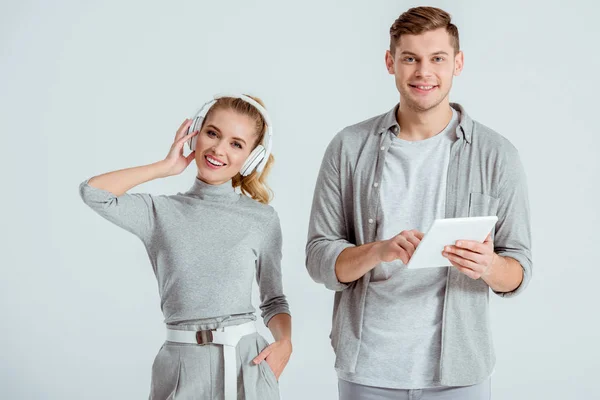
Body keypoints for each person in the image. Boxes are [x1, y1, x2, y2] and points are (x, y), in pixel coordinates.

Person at [306, 7, 531, 400]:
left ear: (457, 63)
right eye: (410, 58)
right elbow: (318, 259)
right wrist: (378, 251)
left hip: (460, 375)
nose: (423, 72)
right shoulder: (348, 147)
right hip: (368, 369)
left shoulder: (498, 155)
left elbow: (519, 270)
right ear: (391, 62)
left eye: (437, 59)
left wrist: (489, 265)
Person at [80, 93, 292, 400]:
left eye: (236, 143)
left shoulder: (262, 218)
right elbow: (93, 193)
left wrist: (285, 342)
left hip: (248, 365)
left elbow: (274, 299)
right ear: (195, 133)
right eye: (212, 133)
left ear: (253, 157)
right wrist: (166, 166)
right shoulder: (160, 213)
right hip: (180, 365)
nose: (219, 149)